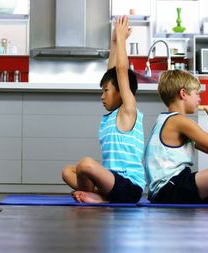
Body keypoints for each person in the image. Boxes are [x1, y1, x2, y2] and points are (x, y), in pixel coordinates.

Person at [61, 16, 145, 204]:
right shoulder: (112, 117)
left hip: (129, 187)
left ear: (122, 92)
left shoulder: (128, 111)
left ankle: (101, 198)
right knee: (67, 171)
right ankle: (99, 196)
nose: (102, 95)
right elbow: (113, 71)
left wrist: (123, 40)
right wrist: (114, 41)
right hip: (111, 182)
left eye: (105, 91)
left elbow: (121, 71)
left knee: (85, 164)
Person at [144, 69, 208, 204]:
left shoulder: (166, 119)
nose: (199, 98)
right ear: (183, 94)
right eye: (197, 94)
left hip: (167, 189)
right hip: (169, 189)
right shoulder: (180, 121)